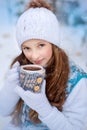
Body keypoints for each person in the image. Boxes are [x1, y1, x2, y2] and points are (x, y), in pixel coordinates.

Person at [0, 0, 87, 130]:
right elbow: (3, 111)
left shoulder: (76, 80)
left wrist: (44, 108)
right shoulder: (22, 66)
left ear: (53, 43)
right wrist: (9, 89)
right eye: (27, 48)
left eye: (41, 45)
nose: (34, 56)